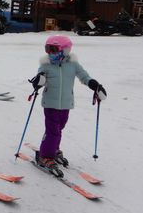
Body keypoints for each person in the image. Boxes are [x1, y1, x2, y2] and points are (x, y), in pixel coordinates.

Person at [29, 35, 107, 177]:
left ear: (65, 50)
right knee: (53, 131)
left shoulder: (73, 64)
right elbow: (40, 77)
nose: (50, 53)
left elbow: (84, 76)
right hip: (50, 103)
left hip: (66, 103)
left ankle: (54, 149)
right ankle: (45, 155)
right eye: (47, 49)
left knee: (59, 128)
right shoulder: (46, 64)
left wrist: (95, 85)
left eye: (53, 49)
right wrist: (38, 81)